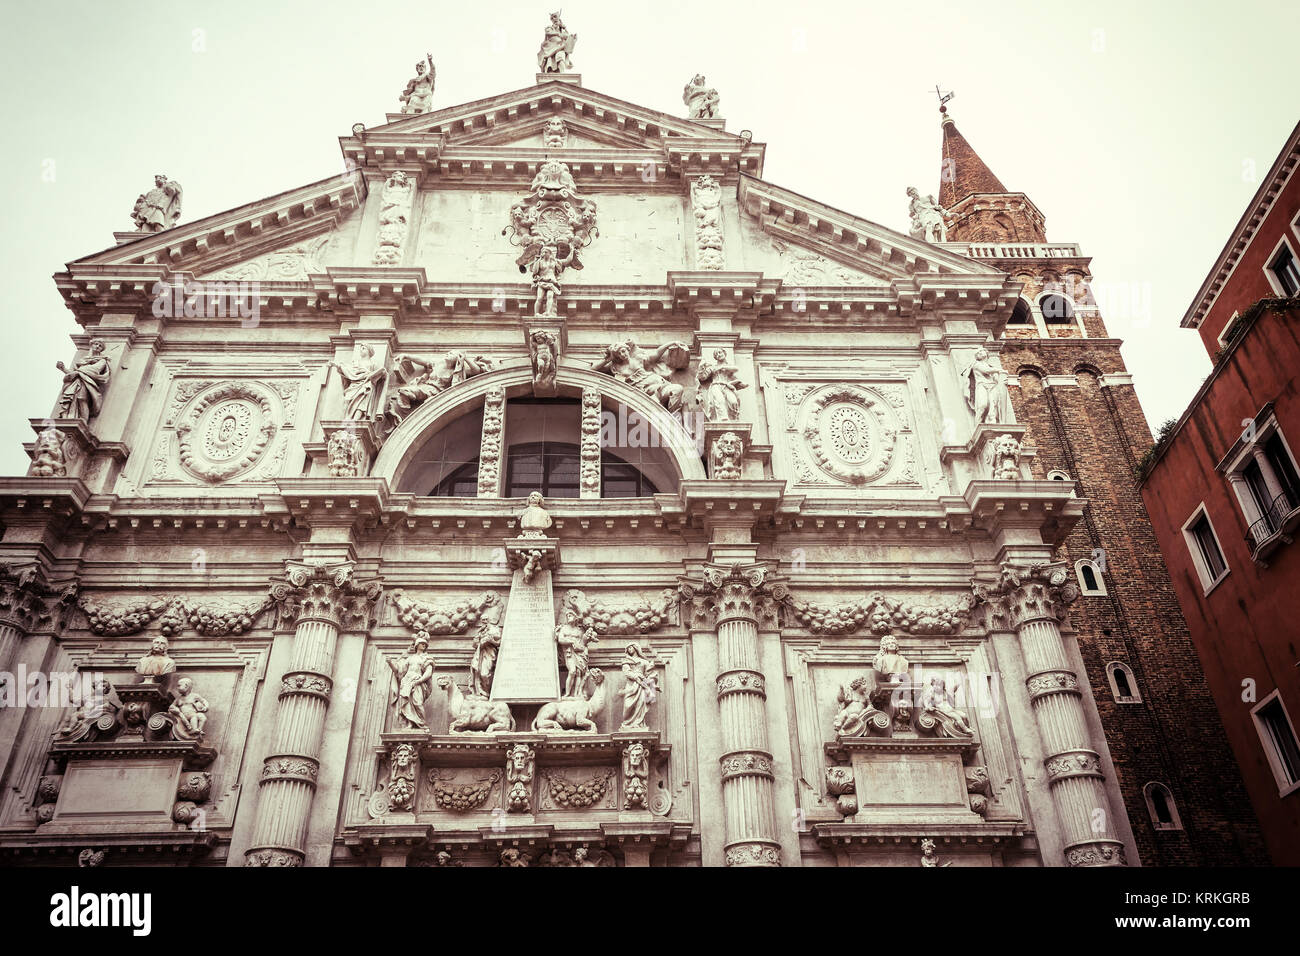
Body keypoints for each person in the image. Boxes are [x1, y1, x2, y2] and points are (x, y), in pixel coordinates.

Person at [55, 338, 112, 421]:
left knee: (82, 398)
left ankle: (83, 421)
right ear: (92, 345)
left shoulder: (102, 360)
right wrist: (63, 368)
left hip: (87, 382)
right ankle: (67, 418)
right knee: (70, 398)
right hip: (77, 381)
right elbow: (73, 374)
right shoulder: (83, 360)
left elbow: (95, 370)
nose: (97, 346)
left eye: (100, 346)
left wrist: (77, 373)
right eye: (96, 344)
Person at [388, 634, 435, 729]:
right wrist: (390, 663)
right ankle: (409, 723)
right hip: (406, 682)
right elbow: (399, 671)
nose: (424, 645)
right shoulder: (410, 659)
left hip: (418, 682)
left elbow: (428, 673)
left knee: (417, 703)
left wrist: (418, 682)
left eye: (425, 644)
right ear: (416, 645)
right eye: (422, 643)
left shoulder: (427, 658)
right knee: (406, 703)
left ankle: (422, 724)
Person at [962, 347, 1012, 425]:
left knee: (993, 406)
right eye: (978, 353)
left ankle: (992, 423)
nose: (980, 353)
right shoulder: (976, 364)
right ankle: (977, 425)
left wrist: (1002, 379)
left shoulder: (991, 367)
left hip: (992, 386)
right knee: (982, 405)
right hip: (982, 385)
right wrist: (999, 370)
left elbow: (996, 379)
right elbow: (986, 370)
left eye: (981, 351)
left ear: (986, 353)